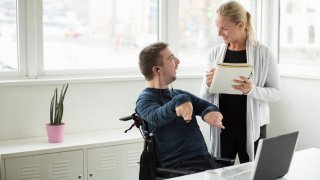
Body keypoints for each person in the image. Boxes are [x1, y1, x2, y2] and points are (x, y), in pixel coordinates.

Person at [200, 1, 281, 164]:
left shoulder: (263, 53)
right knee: (220, 174)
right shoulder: (214, 53)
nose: (219, 33)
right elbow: (203, 96)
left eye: (224, 28)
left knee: (253, 173)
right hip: (222, 128)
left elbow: (276, 93)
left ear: (241, 25)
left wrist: (252, 90)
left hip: (253, 128)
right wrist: (208, 85)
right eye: (217, 27)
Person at [135, 42, 225, 173]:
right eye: (171, 58)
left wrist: (209, 112)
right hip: (180, 170)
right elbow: (156, 117)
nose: (178, 61)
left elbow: (206, 105)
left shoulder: (179, 94)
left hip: (206, 163)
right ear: (157, 70)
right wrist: (179, 101)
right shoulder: (144, 100)